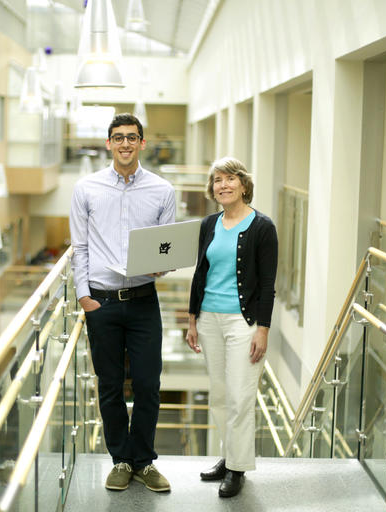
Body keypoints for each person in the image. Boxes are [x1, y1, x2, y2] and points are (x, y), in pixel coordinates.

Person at [69, 113, 175, 493]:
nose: (126, 144)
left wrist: (164, 264)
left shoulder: (162, 190)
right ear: (108, 143)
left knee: (147, 384)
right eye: (119, 138)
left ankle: (144, 461)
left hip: (145, 300)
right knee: (110, 385)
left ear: (142, 143)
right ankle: (122, 460)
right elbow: (79, 247)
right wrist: (84, 296)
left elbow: (168, 245)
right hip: (102, 302)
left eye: (132, 137)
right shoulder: (86, 188)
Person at [186, 156, 278, 498]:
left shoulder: (262, 227)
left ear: (243, 184)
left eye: (229, 179)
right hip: (209, 319)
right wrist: (193, 318)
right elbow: (200, 273)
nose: (222, 186)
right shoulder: (209, 223)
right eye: (216, 181)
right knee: (221, 394)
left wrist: (263, 329)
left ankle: (238, 470)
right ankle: (229, 457)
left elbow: (268, 283)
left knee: (241, 396)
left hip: (244, 323)